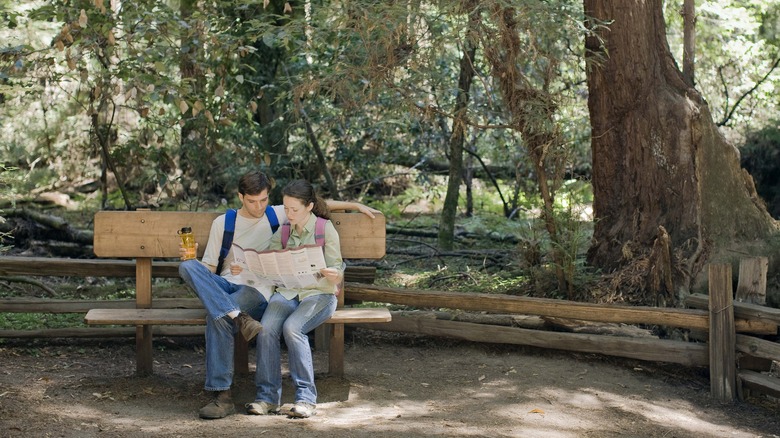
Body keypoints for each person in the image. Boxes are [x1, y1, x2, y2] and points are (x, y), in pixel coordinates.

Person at [179, 171, 378, 420]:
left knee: (218, 318)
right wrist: (194, 260)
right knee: (187, 267)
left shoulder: (281, 212)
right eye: (252, 201)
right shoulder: (223, 223)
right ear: (240, 197)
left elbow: (312, 203)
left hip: (256, 291)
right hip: (227, 284)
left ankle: (222, 396)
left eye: (263, 200)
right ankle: (235, 315)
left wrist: (354, 204)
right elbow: (208, 271)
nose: (259, 206)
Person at [246, 180, 343, 418]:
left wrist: (334, 273)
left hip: (319, 295)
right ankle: (267, 399)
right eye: (286, 208)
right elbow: (267, 257)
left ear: (309, 206)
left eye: (294, 209)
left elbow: (337, 267)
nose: (288, 214)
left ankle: (306, 399)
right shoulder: (285, 229)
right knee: (266, 328)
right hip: (288, 292)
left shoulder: (324, 229)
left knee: (292, 328)